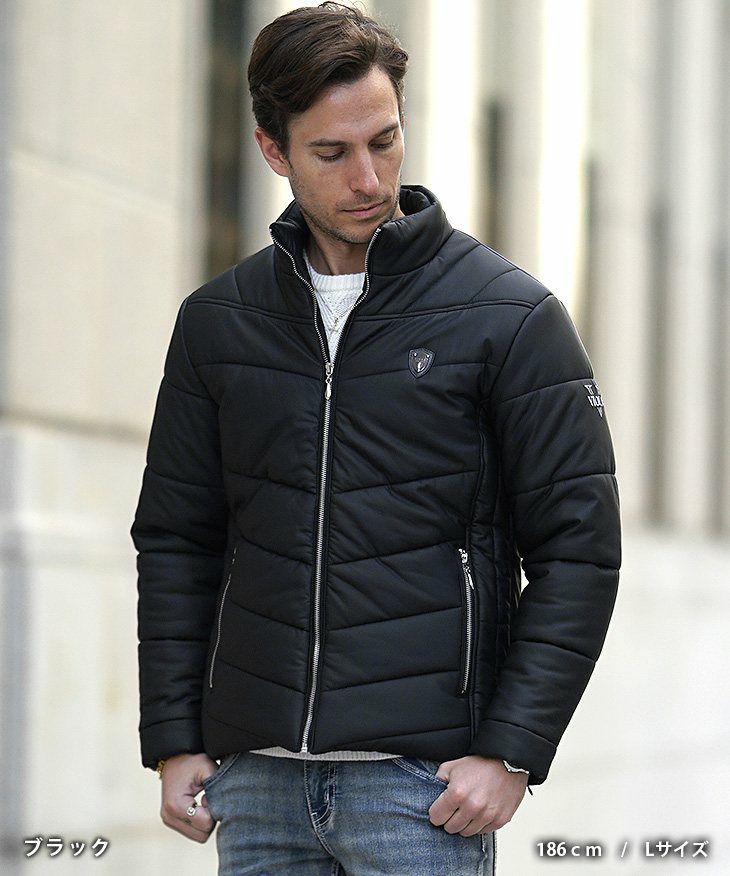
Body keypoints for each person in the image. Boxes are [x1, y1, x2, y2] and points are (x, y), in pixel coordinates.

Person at [130, 3, 621, 874]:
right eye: (332, 153)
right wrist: (174, 736)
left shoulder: (509, 317)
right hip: (258, 783)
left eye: (384, 141)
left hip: (421, 790)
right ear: (273, 151)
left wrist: (512, 749)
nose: (368, 178)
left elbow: (578, 550)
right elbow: (177, 539)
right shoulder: (218, 322)